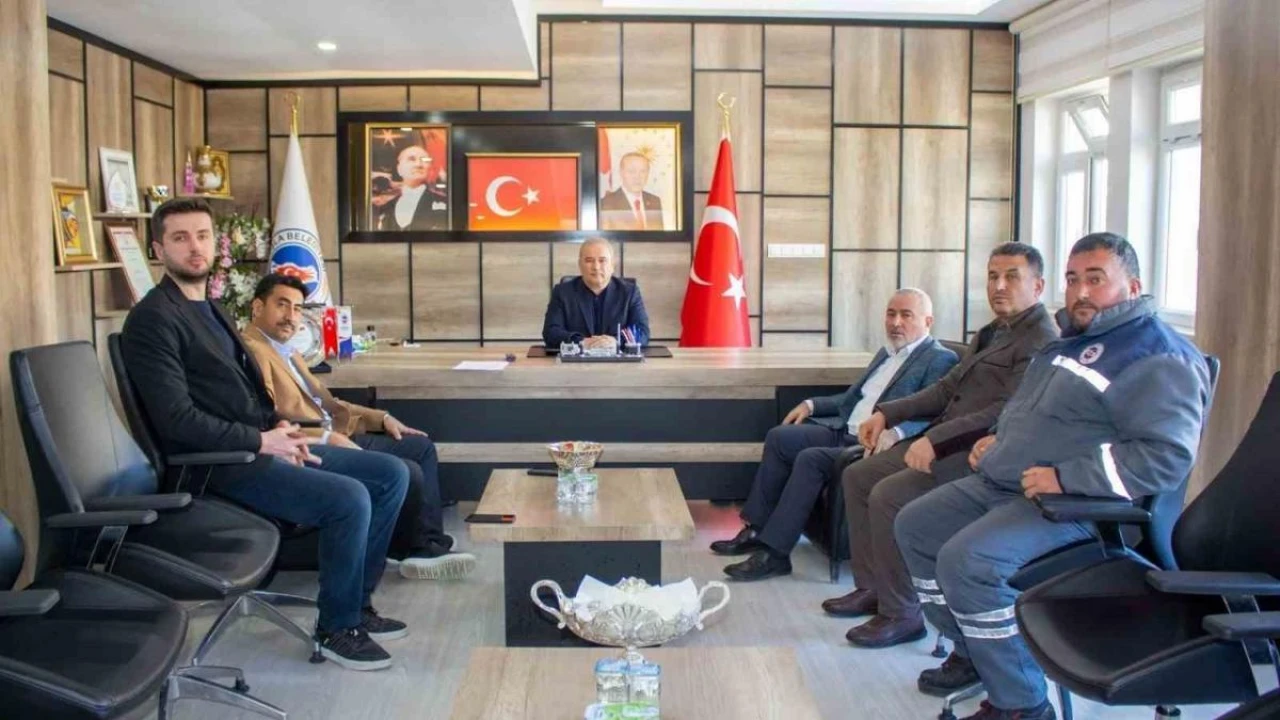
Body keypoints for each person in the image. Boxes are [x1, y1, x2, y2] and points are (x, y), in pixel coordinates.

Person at [895, 233, 1210, 720]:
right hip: (1004, 482)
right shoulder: (1072, 342)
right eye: (1073, 279)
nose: (1080, 291)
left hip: (1073, 505)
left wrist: (1066, 477)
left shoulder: (1157, 355)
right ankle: (975, 650)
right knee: (914, 525)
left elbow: (1165, 457)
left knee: (967, 562)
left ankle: (1021, 704)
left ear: (1133, 286)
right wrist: (997, 437)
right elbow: (1034, 412)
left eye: (1096, 279)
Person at [121, 198, 410, 672]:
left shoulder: (211, 308)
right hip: (216, 464)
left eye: (202, 236)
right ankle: (336, 628)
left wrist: (279, 429)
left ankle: (356, 606)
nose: (194, 247)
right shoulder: (154, 319)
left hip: (257, 444)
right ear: (158, 249)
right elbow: (176, 421)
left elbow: (245, 393)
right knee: (349, 498)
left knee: (390, 473)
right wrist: (261, 442)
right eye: (180, 238)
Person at [824, 242, 1059, 649]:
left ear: (1037, 286)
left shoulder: (1041, 340)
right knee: (858, 475)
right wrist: (887, 413)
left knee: (887, 494)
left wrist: (935, 439)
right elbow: (947, 389)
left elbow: (1006, 411)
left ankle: (902, 613)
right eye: (992, 276)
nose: (998, 286)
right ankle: (874, 587)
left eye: (1011, 277)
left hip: (976, 454)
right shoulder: (993, 331)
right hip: (943, 440)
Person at [241, 273, 476, 581]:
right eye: (282, 305)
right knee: (406, 470)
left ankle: (424, 541)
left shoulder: (286, 350)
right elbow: (269, 417)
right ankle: (417, 549)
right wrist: (328, 437)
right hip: (308, 444)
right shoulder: (254, 351)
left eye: (297, 309)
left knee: (420, 447)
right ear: (258, 307)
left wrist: (382, 418)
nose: (291, 316)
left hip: (333, 432)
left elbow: (326, 403)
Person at [712, 289, 960, 581]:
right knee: (780, 437)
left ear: (928, 321)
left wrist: (897, 431)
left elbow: (935, 410)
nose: (896, 322)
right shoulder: (886, 353)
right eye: (891, 314)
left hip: (871, 444)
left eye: (906, 315)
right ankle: (757, 529)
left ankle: (775, 555)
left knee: (810, 459)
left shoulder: (939, 359)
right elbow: (853, 398)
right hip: (844, 429)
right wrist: (811, 404)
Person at [542, 238, 650, 349]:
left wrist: (616, 341)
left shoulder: (629, 293)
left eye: (602, 260)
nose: (596, 267)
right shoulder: (562, 292)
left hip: (617, 358)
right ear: (580, 264)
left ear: (612, 265)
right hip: (576, 358)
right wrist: (582, 342)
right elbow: (551, 332)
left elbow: (642, 332)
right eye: (589, 260)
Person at [375, 144, 448, 231]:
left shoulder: (445, 203)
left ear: (429, 168)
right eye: (411, 159)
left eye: (425, 160)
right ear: (399, 169)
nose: (419, 164)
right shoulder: (386, 208)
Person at [599, 152, 664, 230]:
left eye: (643, 171)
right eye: (632, 171)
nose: (637, 177)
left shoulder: (655, 201)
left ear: (648, 173)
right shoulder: (606, 204)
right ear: (621, 173)